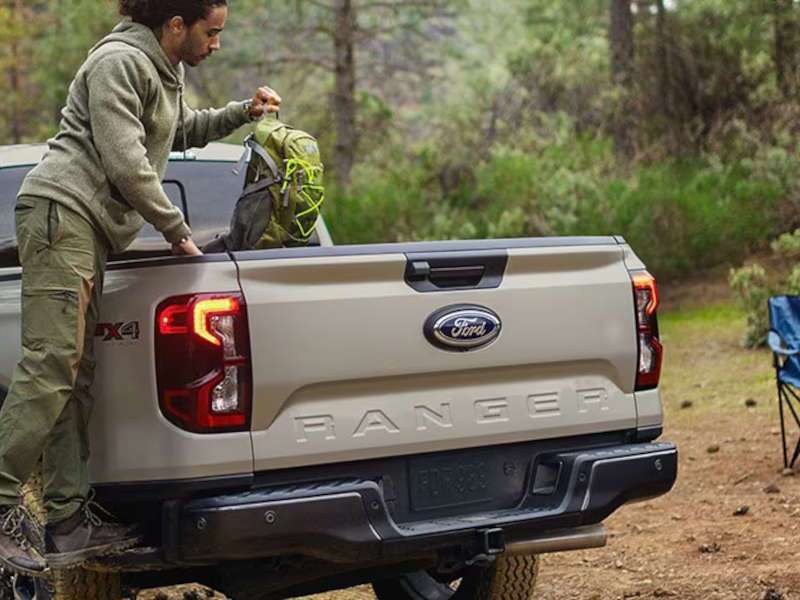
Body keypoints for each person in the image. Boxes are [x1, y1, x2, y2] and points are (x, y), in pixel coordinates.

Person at [0, 0, 281, 574]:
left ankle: (68, 522)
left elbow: (177, 132)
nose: (216, 44)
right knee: (51, 364)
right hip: (62, 213)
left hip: (89, 229)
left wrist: (242, 113)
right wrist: (178, 233)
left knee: (76, 377)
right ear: (176, 23)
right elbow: (128, 162)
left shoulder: (160, 69)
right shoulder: (119, 61)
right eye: (212, 31)